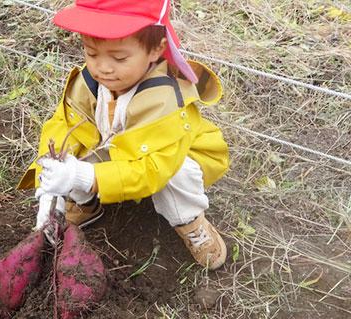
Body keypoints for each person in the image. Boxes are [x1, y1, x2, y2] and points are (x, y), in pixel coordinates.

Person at [17, 0, 230, 270]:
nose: (103, 68)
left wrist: (84, 176)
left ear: (156, 49)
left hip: (166, 163)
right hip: (120, 150)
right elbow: (65, 124)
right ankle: (83, 204)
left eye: (119, 58)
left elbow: (154, 170)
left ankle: (188, 220)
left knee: (179, 174)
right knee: (74, 152)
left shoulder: (166, 101)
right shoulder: (90, 82)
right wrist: (48, 183)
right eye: (92, 53)